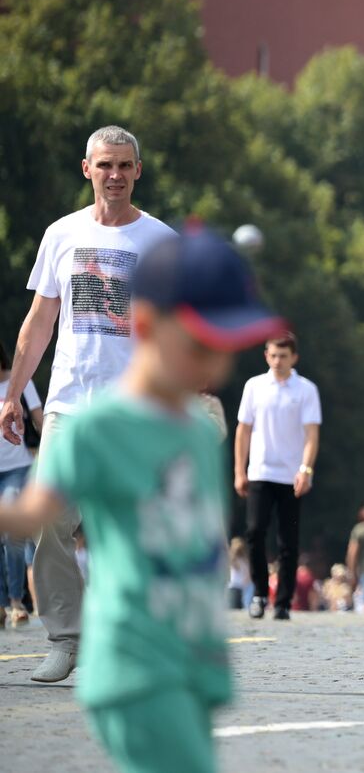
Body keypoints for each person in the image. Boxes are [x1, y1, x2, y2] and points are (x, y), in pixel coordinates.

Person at [0, 225, 284, 773]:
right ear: (149, 327)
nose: (216, 365)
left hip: (190, 663)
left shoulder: (198, 432)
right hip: (135, 667)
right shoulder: (94, 430)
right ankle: (66, 637)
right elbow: (33, 515)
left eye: (228, 348)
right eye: (202, 344)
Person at [0, 125, 178, 683]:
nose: (115, 175)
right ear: (87, 169)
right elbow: (39, 324)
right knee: (51, 520)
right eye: (105, 165)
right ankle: (66, 638)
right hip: (69, 403)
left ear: (138, 171)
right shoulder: (61, 235)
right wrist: (12, 396)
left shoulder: (161, 242)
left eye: (125, 166)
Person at [234, 332, 321, 621]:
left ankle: (283, 600)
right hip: (260, 470)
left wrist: (305, 470)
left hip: (290, 474)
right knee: (255, 532)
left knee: (288, 540)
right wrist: (239, 470)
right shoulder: (255, 386)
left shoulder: (305, 390)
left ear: (294, 357)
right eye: (273, 355)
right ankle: (259, 593)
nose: (278, 361)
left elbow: (311, 435)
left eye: (283, 356)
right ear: (266, 356)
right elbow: (243, 430)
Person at [0, 338, 43, 627]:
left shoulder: (21, 383)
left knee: (12, 534)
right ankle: (2, 605)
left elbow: (40, 420)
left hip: (19, 469)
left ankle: (16, 601)